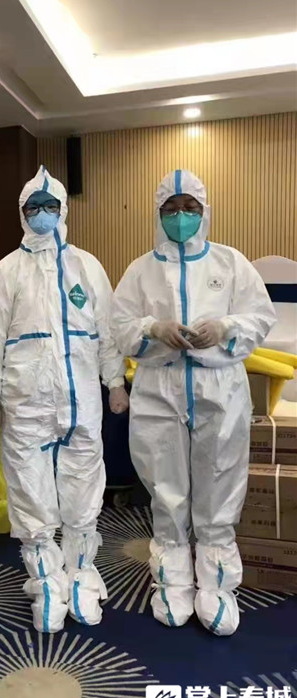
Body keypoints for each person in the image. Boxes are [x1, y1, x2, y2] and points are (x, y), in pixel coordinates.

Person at [111, 169, 276, 636]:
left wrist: (225, 328)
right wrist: (153, 328)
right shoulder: (140, 269)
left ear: (205, 212)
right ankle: (171, 578)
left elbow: (260, 316)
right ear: (157, 213)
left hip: (219, 387)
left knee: (220, 480)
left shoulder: (230, 262)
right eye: (171, 208)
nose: (180, 216)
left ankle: (218, 584)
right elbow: (118, 326)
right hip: (158, 387)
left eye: (190, 208)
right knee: (166, 488)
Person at [0, 166, 128, 633]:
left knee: (83, 487)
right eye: (33, 207)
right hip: (25, 402)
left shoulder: (87, 266)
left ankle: (81, 573)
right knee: (30, 490)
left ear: (63, 210)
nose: (42, 213)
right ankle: (45, 579)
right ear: (22, 213)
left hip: (81, 399)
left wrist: (115, 381)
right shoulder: (7, 270)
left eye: (50, 206)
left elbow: (107, 331)